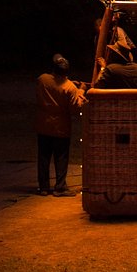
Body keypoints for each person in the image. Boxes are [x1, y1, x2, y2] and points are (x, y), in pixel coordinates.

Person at [35, 53, 85, 197]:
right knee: (61, 158)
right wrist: (80, 91)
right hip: (61, 127)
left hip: (43, 124)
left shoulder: (42, 79)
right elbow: (75, 108)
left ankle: (43, 187)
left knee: (43, 157)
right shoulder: (70, 88)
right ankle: (60, 187)